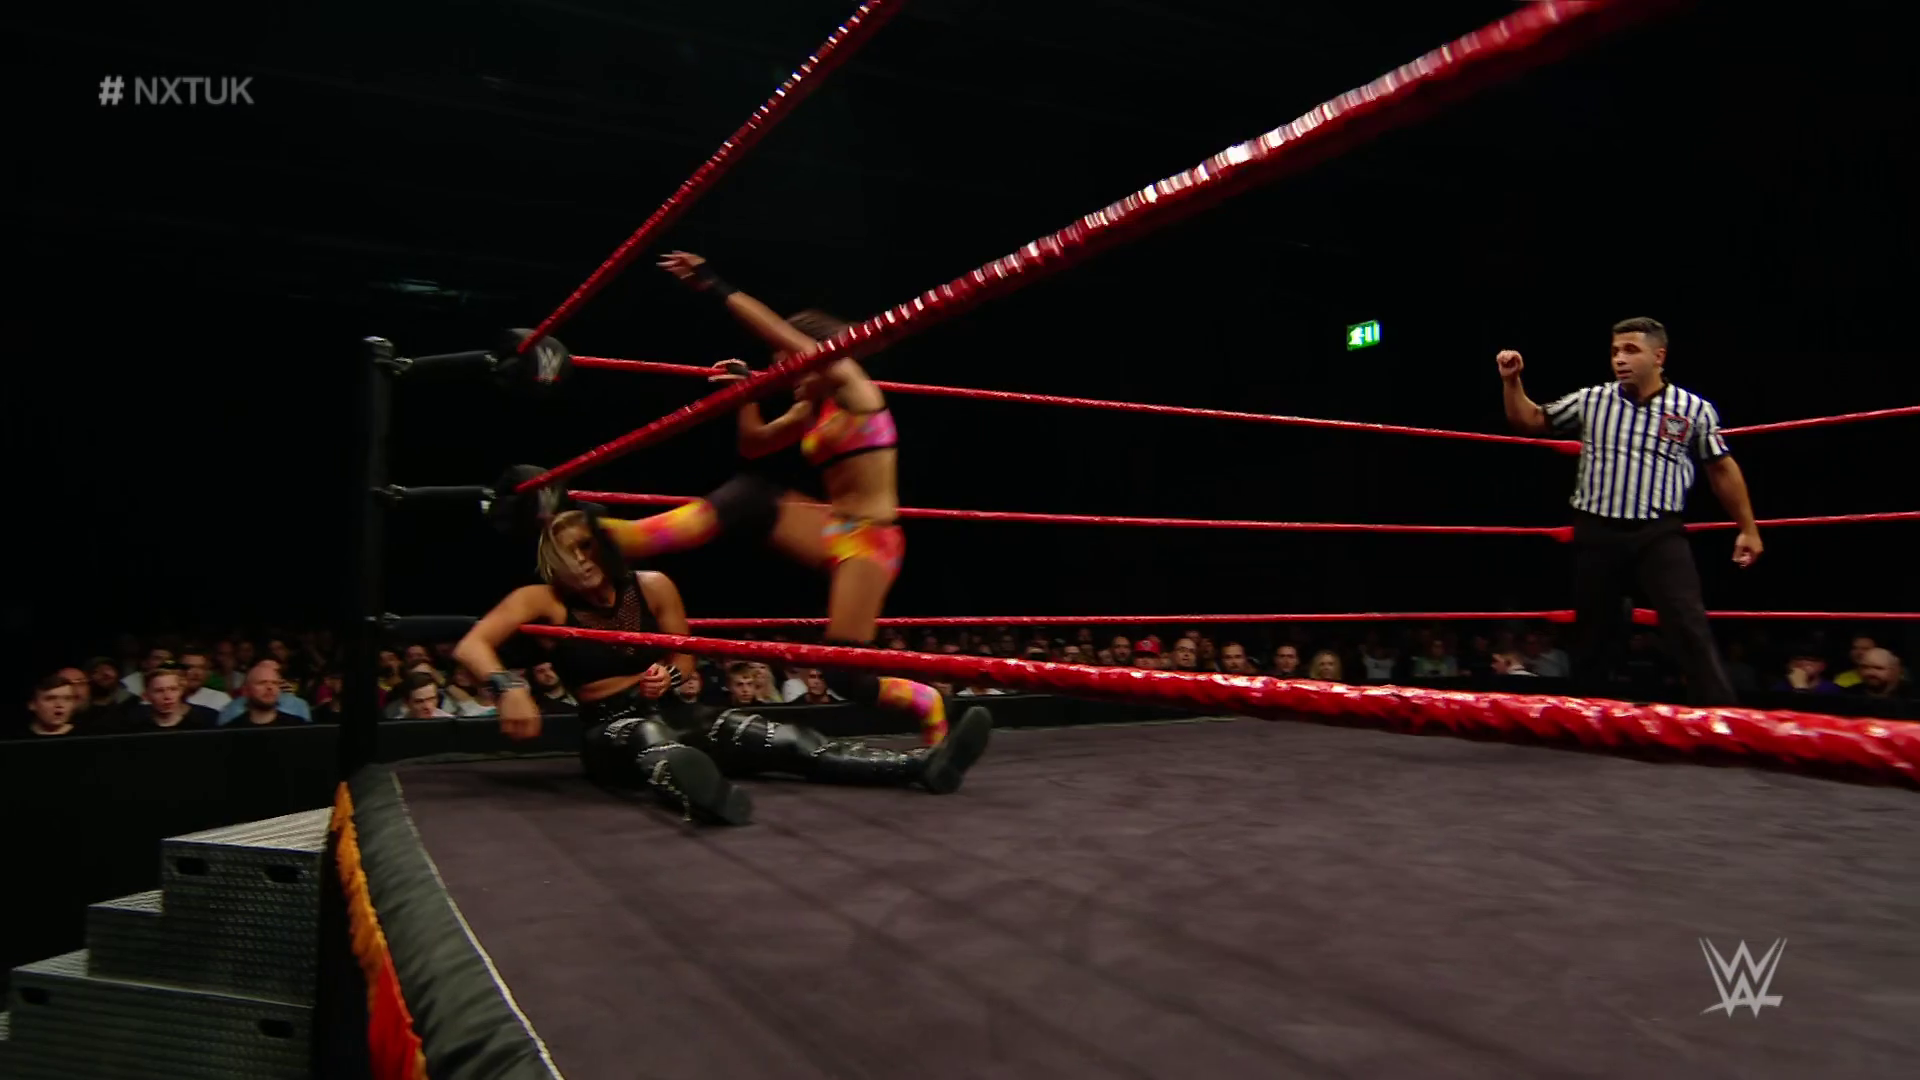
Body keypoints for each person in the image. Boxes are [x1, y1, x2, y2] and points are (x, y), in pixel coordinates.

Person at [497, 248, 953, 747]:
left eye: (790, 367)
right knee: (749, 496)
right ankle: (601, 528)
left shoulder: (856, 389)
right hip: (832, 527)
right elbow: (755, 445)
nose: (787, 378)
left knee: (846, 673)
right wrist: (748, 395)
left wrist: (714, 285)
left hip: (872, 542)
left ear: (818, 355)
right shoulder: (811, 409)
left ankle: (928, 705)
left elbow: (786, 339)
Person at [455, 507, 992, 827]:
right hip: (610, 727)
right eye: (568, 553)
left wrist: (670, 674)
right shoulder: (542, 601)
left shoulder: (653, 587)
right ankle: (704, 797)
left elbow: (684, 654)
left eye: (587, 546)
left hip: (677, 711)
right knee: (646, 736)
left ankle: (921, 765)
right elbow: (472, 645)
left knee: (787, 739)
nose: (580, 560)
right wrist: (508, 686)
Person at [1497, 317, 1760, 705]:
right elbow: (1529, 419)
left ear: (1659, 356)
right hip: (1597, 529)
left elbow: (1720, 467)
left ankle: (1720, 714)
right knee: (1593, 632)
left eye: (1631, 350)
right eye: (1615, 351)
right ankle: (1588, 715)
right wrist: (1512, 381)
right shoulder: (1593, 400)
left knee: (1687, 621)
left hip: (1659, 532)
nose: (1619, 359)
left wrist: (1748, 529)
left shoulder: (1693, 409)